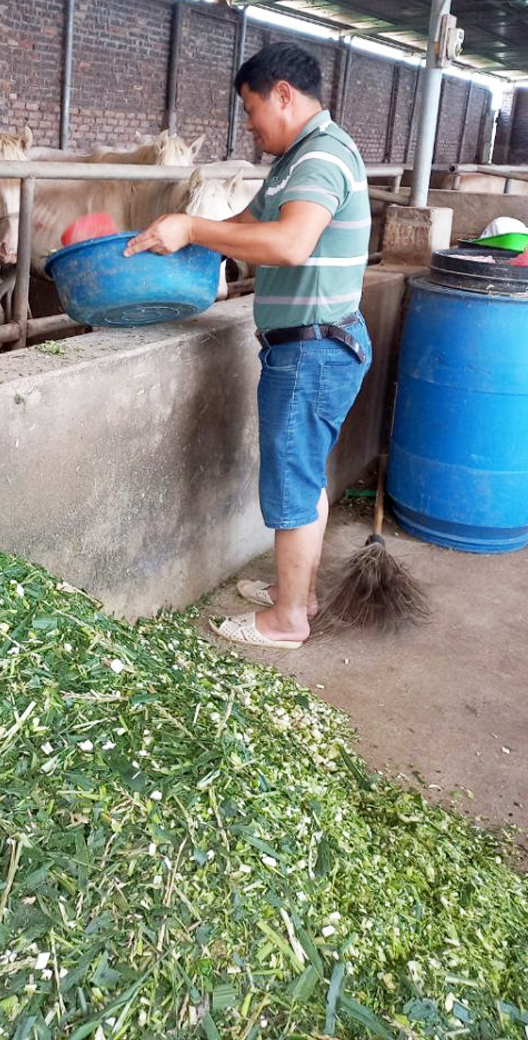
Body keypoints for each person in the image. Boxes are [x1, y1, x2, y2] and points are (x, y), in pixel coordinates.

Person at [124, 41, 371, 649]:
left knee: (291, 483)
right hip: (313, 344)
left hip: (311, 351)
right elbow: (245, 229)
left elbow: (288, 244)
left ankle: (287, 621)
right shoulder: (298, 159)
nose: (251, 124)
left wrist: (190, 227)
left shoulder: (320, 160)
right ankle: (300, 593)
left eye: (252, 108)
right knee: (305, 477)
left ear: (283, 94)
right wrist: (180, 236)